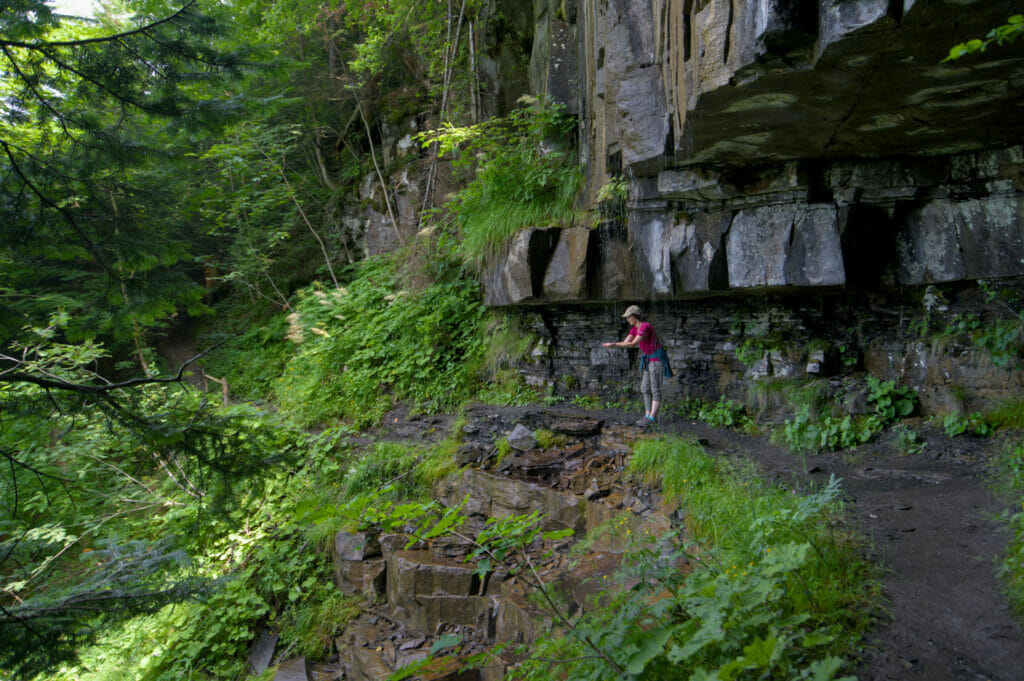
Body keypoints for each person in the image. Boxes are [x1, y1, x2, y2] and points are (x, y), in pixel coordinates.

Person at [602, 305, 672, 426]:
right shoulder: (634, 329)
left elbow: (633, 343)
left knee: (655, 388)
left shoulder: (645, 327)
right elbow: (626, 342)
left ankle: (651, 418)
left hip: (656, 359)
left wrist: (613, 344)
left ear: (635, 316)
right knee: (644, 388)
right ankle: (647, 415)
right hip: (648, 359)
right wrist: (614, 344)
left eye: (629, 317)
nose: (627, 319)